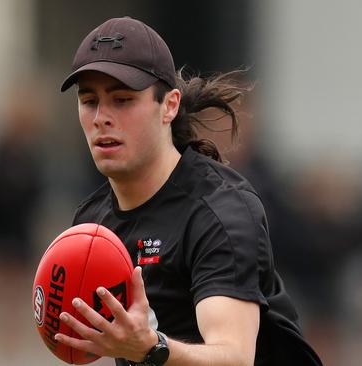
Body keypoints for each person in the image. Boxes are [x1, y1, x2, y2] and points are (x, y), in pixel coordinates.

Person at [55, 16, 322, 366]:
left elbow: (235, 357)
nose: (102, 117)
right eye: (89, 101)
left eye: (122, 100)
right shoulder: (92, 225)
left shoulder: (220, 212)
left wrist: (151, 348)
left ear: (169, 105)